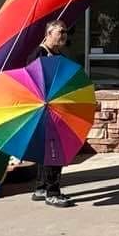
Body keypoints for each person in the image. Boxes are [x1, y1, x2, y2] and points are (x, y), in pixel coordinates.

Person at [30, 19, 75, 208]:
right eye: (60, 31)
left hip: (56, 107)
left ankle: (41, 188)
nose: (64, 35)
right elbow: (32, 80)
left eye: (65, 32)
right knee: (53, 152)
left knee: (47, 151)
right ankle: (52, 193)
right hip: (45, 110)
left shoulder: (58, 55)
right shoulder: (39, 54)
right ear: (48, 34)